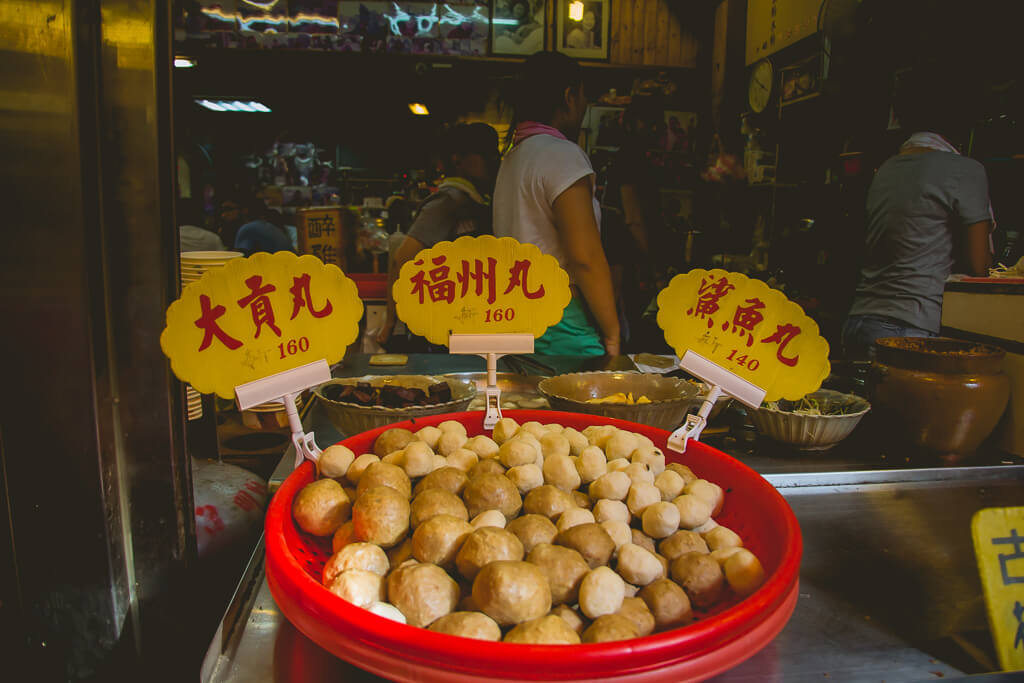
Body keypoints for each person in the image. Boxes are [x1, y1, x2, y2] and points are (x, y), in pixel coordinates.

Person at [843, 70, 993, 359]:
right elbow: (979, 268)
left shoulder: (885, 170)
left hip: (859, 321)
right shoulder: (966, 171)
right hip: (910, 328)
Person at [493, 51, 620, 357]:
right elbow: (584, 256)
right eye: (583, 95)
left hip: (517, 315)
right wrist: (613, 333)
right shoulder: (561, 155)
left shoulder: (513, 157)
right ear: (569, 96)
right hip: (562, 321)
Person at [377, 123, 500, 347]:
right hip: (441, 330)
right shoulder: (447, 202)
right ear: (458, 159)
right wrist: (390, 322)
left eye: (494, 153)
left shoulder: (475, 202)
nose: (492, 160)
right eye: (483, 153)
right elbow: (403, 259)